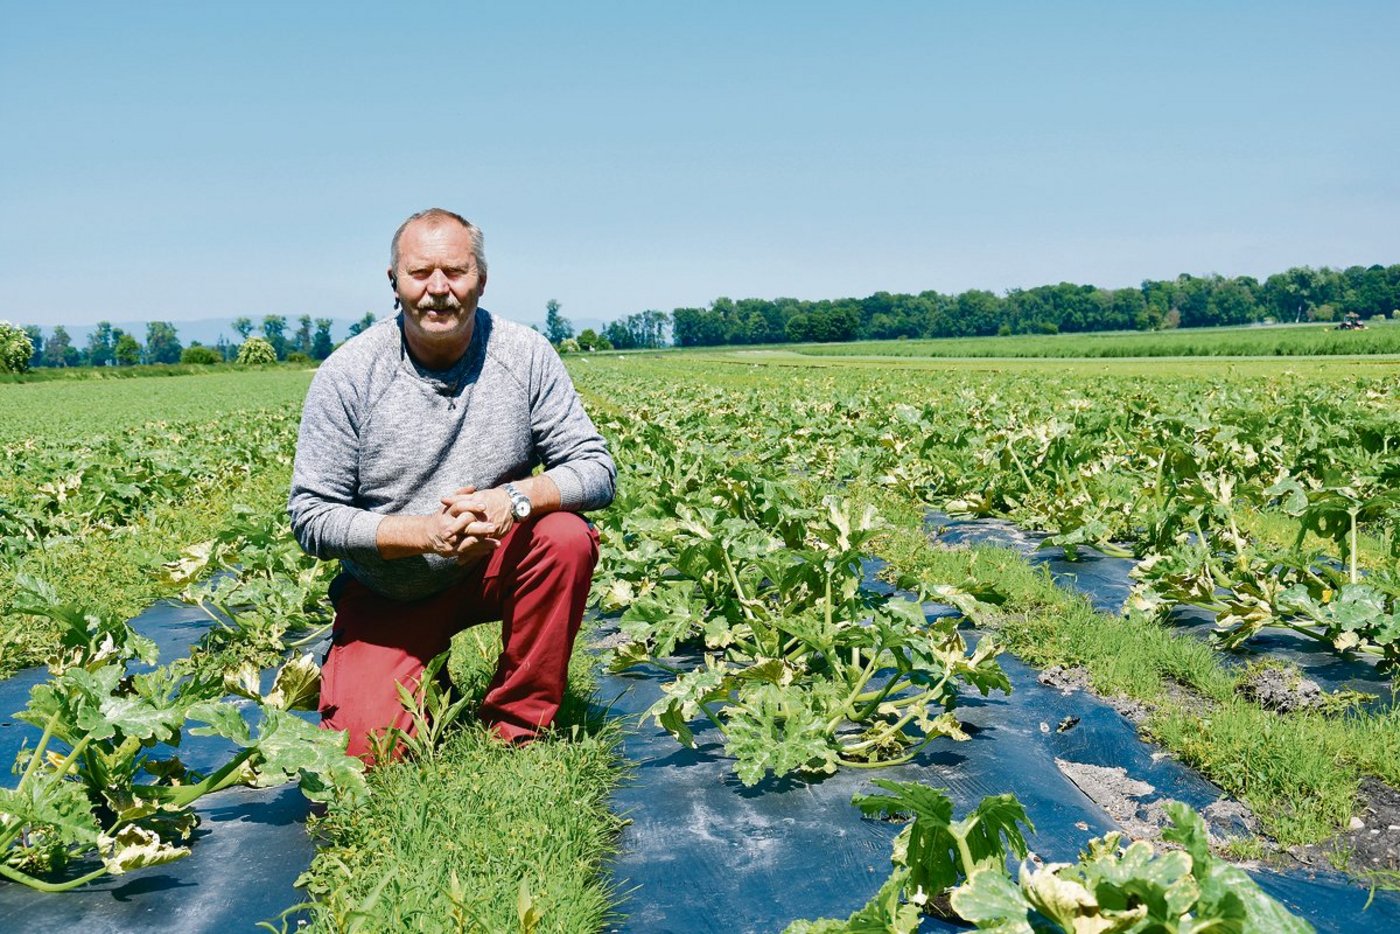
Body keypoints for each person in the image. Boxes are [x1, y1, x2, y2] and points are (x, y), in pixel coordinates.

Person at [288, 207, 616, 762]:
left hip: (492, 561)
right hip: (389, 587)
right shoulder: (349, 374)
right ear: (393, 282)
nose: (438, 289)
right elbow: (311, 516)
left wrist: (513, 499)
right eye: (419, 273)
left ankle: (519, 727)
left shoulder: (525, 354)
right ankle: (398, 674)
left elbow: (595, 468)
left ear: (480, 280)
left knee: (564, 536)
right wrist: (423, 533)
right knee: (370, 753)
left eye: (456, 272)